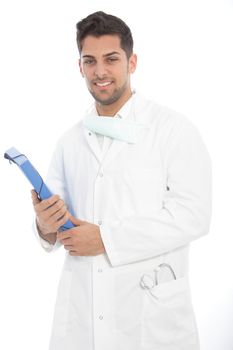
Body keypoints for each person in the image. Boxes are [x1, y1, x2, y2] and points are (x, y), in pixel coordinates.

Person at [31, 11, 212, 350]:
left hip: (149, 315)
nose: (100, 72)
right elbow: (53, 228)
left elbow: (194, 215)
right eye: (90, 61)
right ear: (80, 67)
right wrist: (45, 224)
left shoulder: (173, 130)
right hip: (82, 317)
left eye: (111, 59)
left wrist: (106, 240)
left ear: (132, 62)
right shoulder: (70, 141)